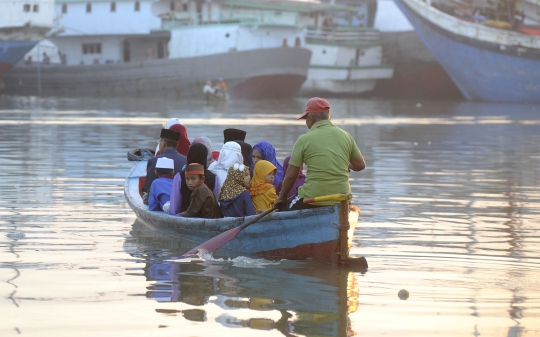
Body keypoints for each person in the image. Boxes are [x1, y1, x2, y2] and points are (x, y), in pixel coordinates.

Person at [274, 97, 366, 211]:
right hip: (342, 198)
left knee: (283, 209)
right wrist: (347, 165)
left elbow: (291, 176)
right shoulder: (346, 136)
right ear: (329, 117)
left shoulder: (304, 140)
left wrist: (282, 198)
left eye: (306, 119)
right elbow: (360, 165)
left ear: (310, 119)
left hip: (312, 199)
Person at [168, 143, 218, 215]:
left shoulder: (180, 176)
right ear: (205, 157)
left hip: (184, 218)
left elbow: (174, 207)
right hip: (206, 217)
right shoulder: (213, 177)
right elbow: (214, 200)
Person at [143, 129, 187, 197]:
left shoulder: (154, 161)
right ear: (177, 144)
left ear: (163, 143)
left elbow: (147, 188)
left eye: (159, 142)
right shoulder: (186, 161)